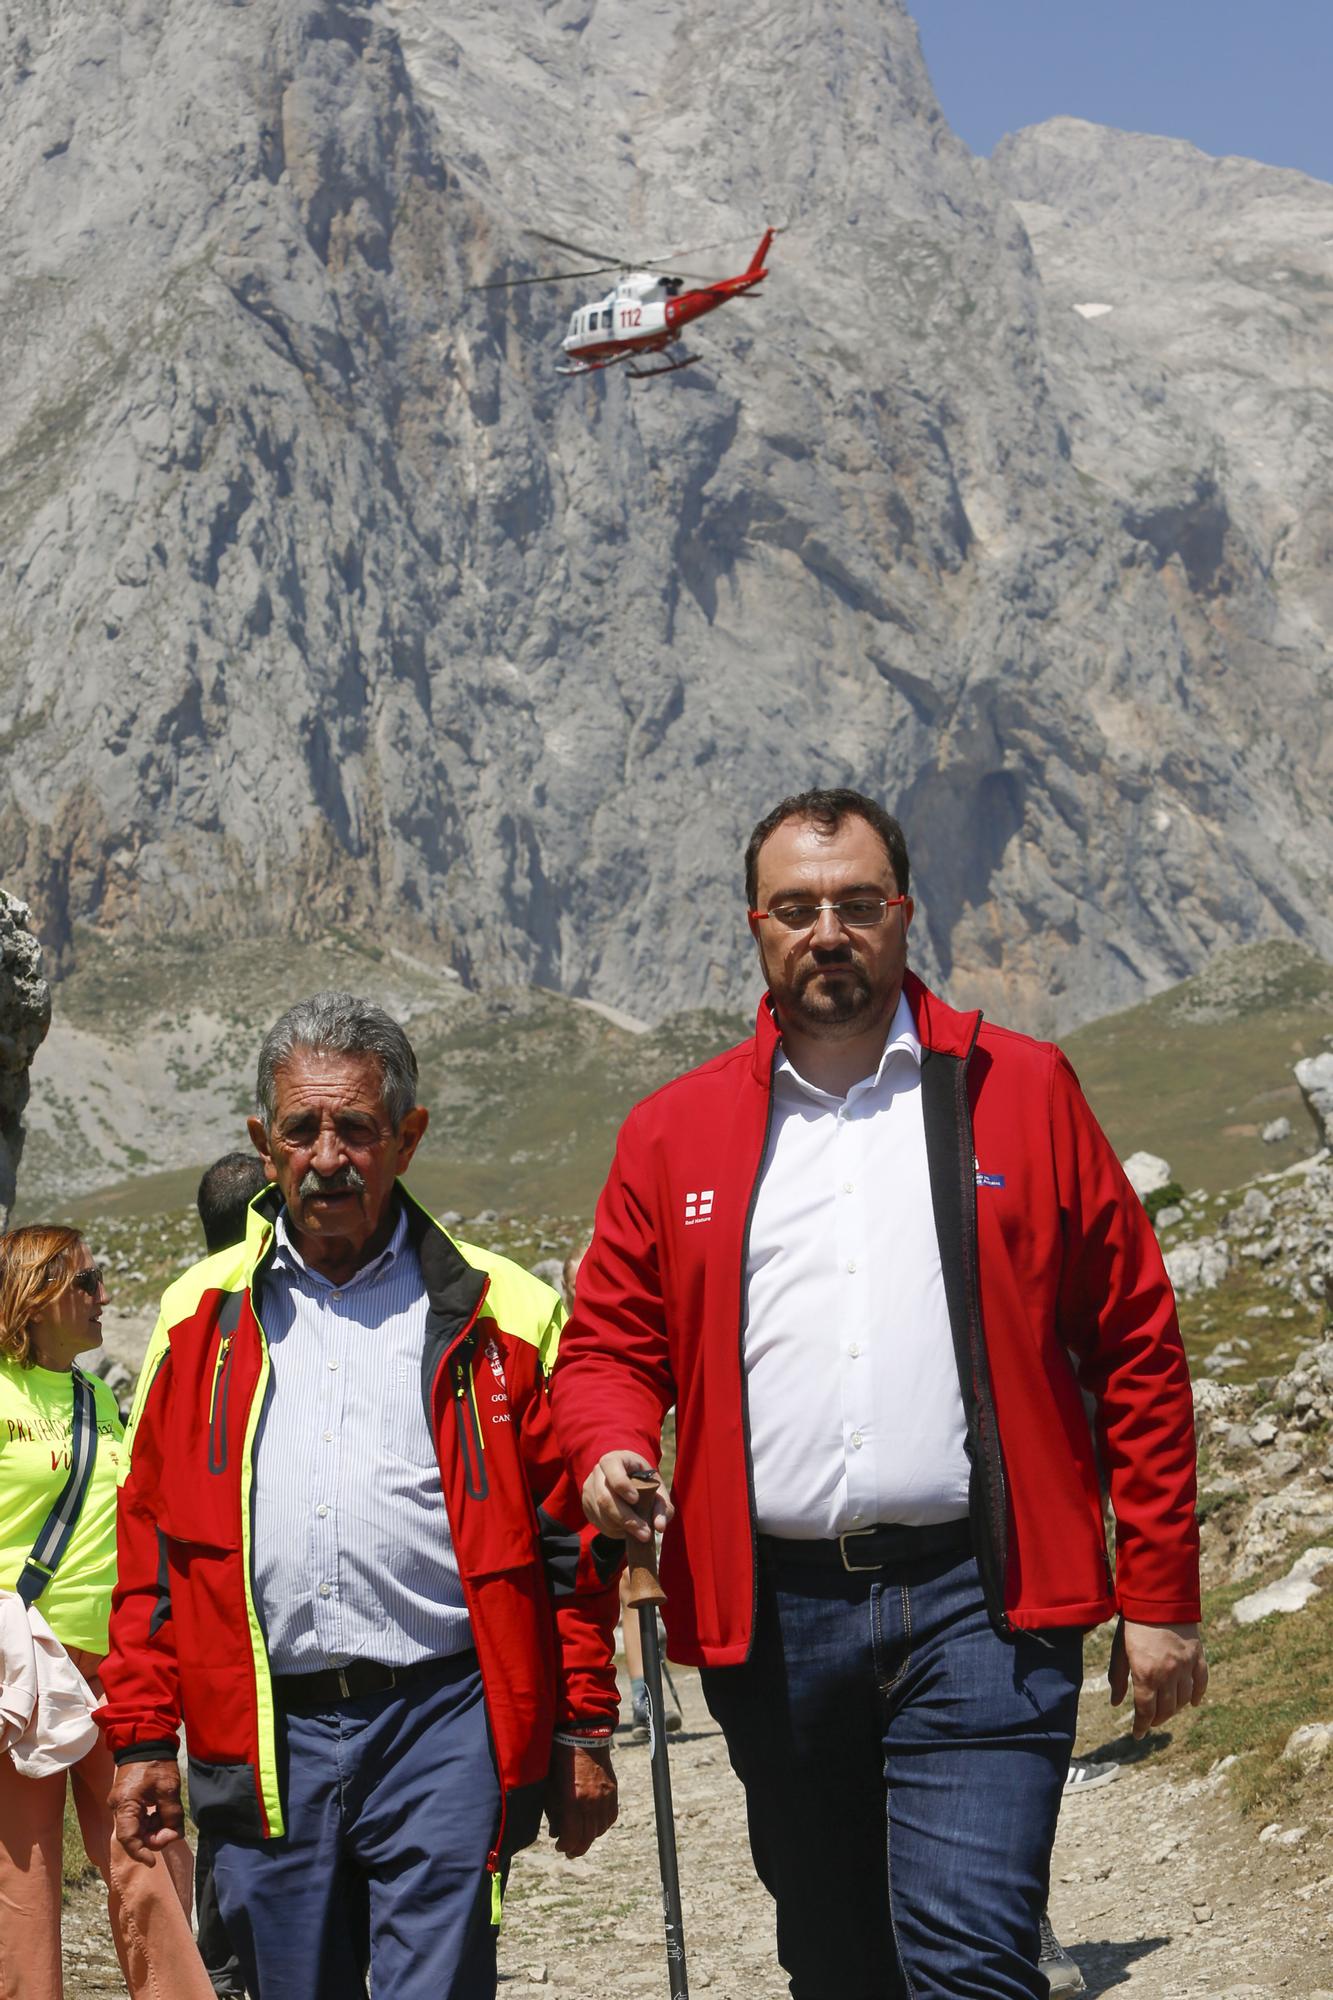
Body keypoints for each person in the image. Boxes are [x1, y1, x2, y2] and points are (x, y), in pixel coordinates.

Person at [553, 788, 1207, 2000]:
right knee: (840, 1959)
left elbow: (1133, 1341)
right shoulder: (672, 1131)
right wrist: (604, 1447)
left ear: (905, 914)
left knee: (967, 1954)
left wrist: (1159, 1590)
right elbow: (605, 1346)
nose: (828, 931)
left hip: (986, 1599)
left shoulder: (1023, 1086)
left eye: (858, 903)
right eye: (797, 907)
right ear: (756, 925)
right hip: (776, 1616)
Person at [98, 993, 621, 2000]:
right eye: (301, 1128)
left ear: (407, 1138)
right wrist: (140, 1739)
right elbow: (153, 1545)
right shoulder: (197, 1316)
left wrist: (583, 1728)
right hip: (262, 1731)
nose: (327, 1154)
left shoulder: (501, 1308)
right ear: (265, 1139)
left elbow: (569, 1549)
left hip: (443, 1718)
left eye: (356, 1127)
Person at [0, 1225, 214, 2000]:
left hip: (116, 1668)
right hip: (23, 1672)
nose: (103, 1298)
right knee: (23, 1882)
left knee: (149, 1854)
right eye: (88, 1283)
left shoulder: (96, 1395)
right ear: (38, 1293)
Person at [192, 1151, 270, 2000]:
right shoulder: (290, 1296)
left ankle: (222, 1960)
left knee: (225, 1795)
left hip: (215, 1626)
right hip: (295, 1623)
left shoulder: (185, 1313)